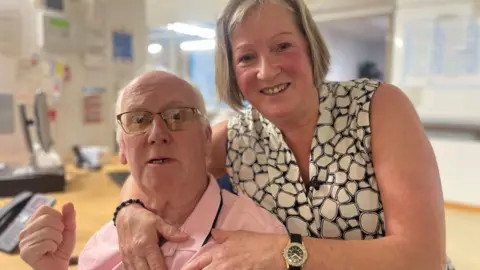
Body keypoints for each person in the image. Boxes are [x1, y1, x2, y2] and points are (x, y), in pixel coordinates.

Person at [115, 1, 455, 269]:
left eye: (282, 46)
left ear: (309, 47)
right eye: (247, 57)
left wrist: (285, 253)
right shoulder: (236, 137)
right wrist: (130, 210)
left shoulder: (378, 107)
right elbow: (159, 163)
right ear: (232, 72)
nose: (267, 70)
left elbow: (424, 259)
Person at [18, 71, 287, 270]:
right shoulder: (102, 246)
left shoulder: (262, 244)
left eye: (178, 116)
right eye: (139, 120)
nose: (157, 134)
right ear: (122, 147)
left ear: (207, 138)